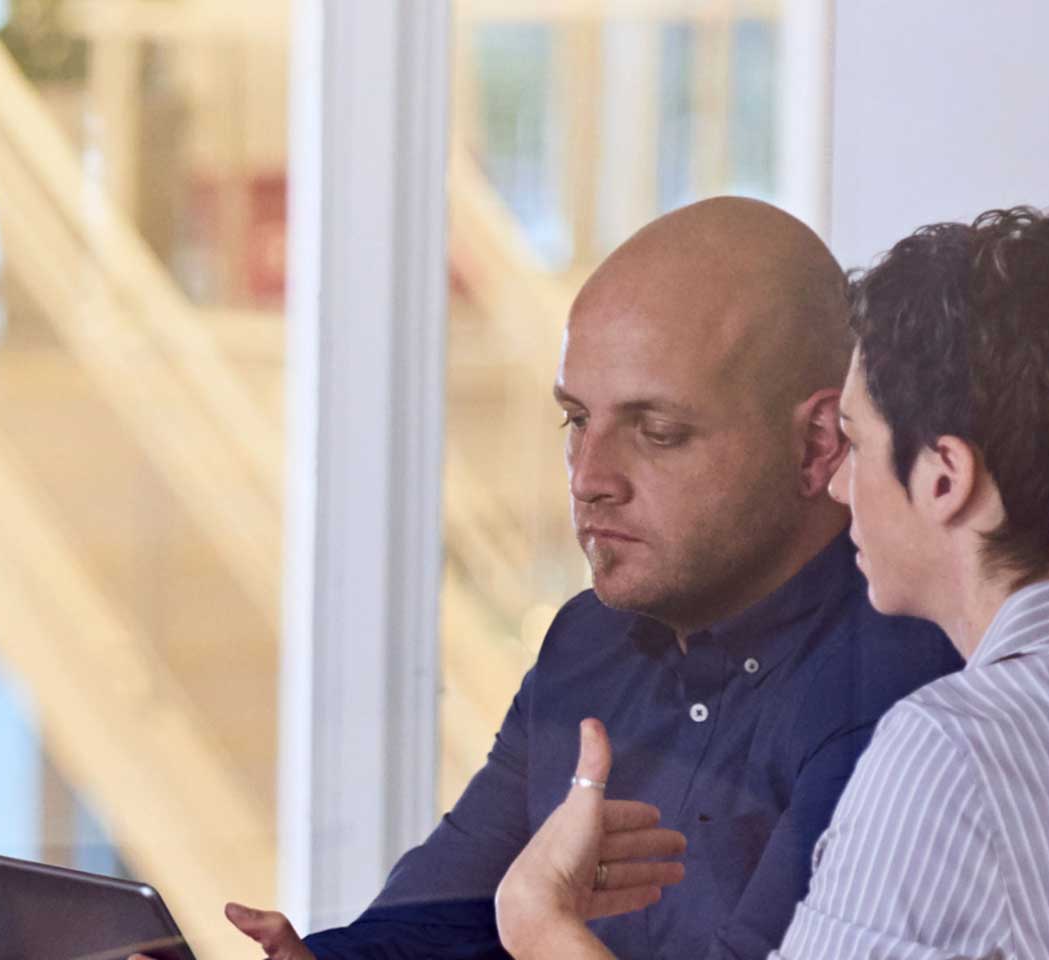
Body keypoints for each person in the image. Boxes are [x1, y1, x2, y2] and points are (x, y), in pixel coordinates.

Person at [220, 198, 964, 960]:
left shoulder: (904, 695)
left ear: (816, 445)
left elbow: (523, 917)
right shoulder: (587, 641)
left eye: (658, 431)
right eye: (577, 421)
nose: (589, 479)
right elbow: (435, 924)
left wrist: (540, 925)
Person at [496, 208, 1049, 960]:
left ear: (944, 478)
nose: (837, 488)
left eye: (856, 445)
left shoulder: (949, 748)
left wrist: (539, 923)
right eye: (576, 421)